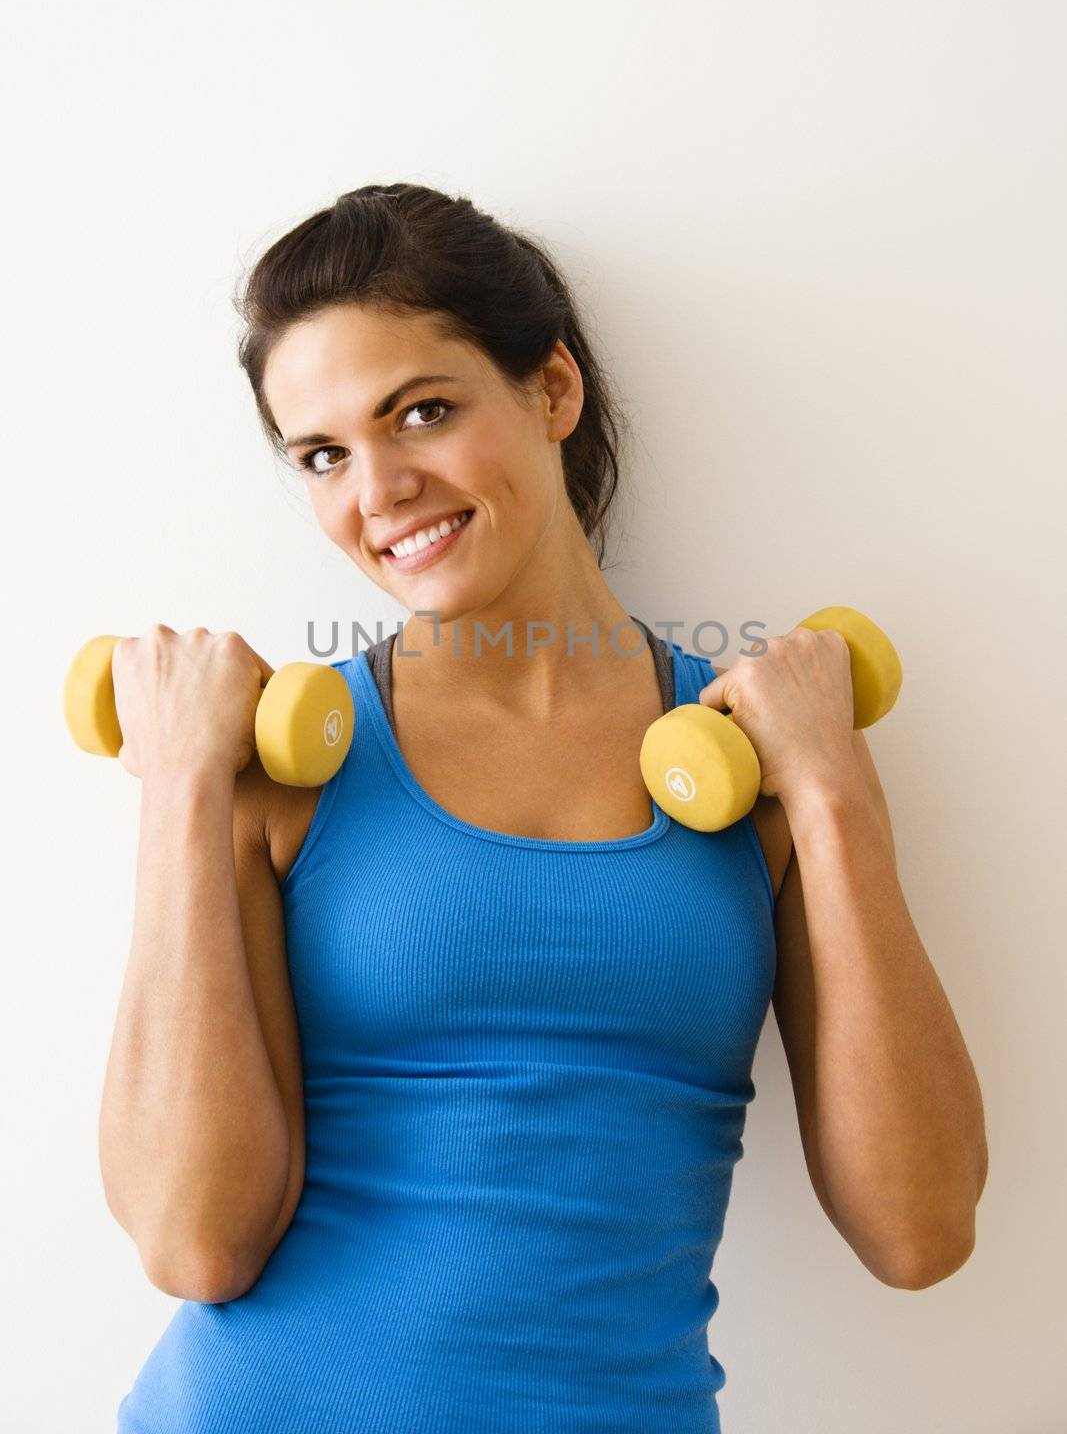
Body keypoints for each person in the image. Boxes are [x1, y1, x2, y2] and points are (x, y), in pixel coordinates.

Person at [99, 185, 857, 1431]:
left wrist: (834, 793)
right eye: (325, 455)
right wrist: (181, 787)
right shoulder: (279, 771)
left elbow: (920, 1227)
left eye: (424, 412)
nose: (381, 488)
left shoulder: (746, 760)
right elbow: (194, 1247)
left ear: (550, 390)